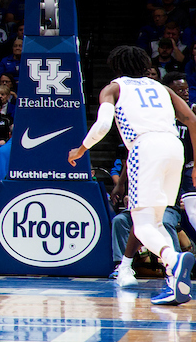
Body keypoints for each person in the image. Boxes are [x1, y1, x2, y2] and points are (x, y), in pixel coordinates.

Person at [67, 45, 196, 305]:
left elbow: (103, 124)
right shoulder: (162, 88)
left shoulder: (114, 88)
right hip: (174, 148)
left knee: (142, 223)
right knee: (156, 220)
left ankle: (173, 260)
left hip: (144, 147)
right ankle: (174, 283)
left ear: (116, 66)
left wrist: (81, 149)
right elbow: (192, 119)